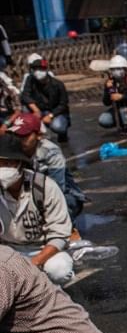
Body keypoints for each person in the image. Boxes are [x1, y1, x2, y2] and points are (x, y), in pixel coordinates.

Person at [0, 133, 75, 286]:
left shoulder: (44, 187)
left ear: (20, 164)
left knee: (59, 270)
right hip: (9, 251)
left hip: (43, 249)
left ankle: (54, 293)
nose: (2, 169)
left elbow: (59, 235)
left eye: (7, 164)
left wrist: (34, 263)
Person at [7, 112, 85, 220]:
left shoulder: (50, 152)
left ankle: (68, 230)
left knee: (61, 207)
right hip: (28, 196)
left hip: (60, 195)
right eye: (17, 135)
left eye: (25, 136)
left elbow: (57, 189)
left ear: (38, 135)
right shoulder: (13, 150)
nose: (20, 140)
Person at [20, 56, 70, 144]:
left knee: (58, 127)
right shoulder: (30, 80)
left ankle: (62, 133)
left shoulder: (58, 84)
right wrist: (36, 109)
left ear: (46, 70)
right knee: (25, 108)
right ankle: (36, 133)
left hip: (55, 111)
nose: (38, 72)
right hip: (40, 109)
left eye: (41, 69)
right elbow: (25, 95)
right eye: (35, 69)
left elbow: (63, 104)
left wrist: (51, 116)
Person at [98, 55, 127, 131]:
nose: (116, 71)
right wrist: (108, 89)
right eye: (113, 69)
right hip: (119, 109)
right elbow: (106, 102)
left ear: (125, 69)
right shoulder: (111, 82)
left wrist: (123, 97)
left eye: (119, 69)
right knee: (104, 119)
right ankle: (122, 124)